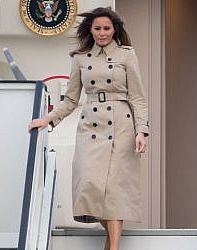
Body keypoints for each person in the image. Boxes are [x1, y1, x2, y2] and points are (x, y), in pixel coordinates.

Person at [28, 7, 149, 250]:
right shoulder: (80, 57)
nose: (102, 33)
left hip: (122, 126)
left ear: (114, 29)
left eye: (106, 28)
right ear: (90, 30)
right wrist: (48, 120)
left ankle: (114, 247)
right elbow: (71, 99)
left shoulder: (127, 55)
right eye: (97, 28)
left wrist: (141, 131)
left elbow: (138, 97)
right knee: (88, 186)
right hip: (90, 128)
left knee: (114, 192)